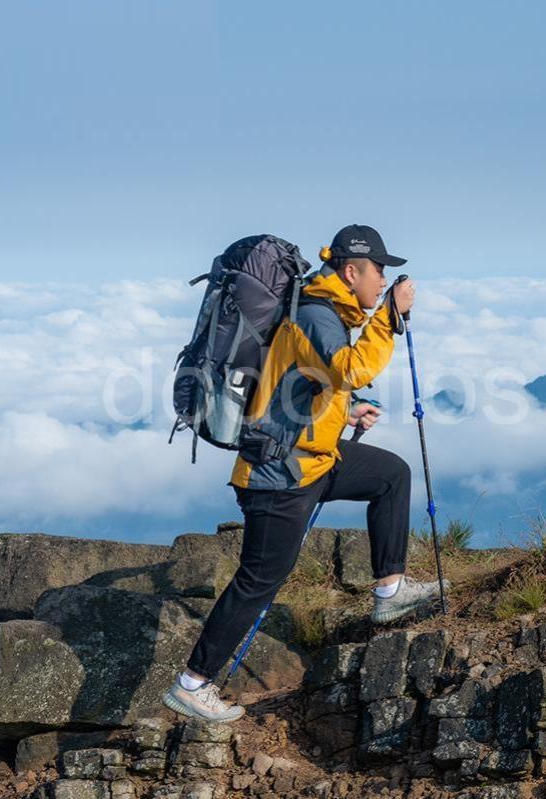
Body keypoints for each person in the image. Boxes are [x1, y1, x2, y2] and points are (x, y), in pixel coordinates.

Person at [163, 224, 447, 722]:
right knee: (259, 581)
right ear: (352, 270)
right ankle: (192, 683)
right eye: (380, 270)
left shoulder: (324, 311)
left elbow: (313, 382)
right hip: (278, 476)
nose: (384, 280)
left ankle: (389, 590)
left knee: (390, 476)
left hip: (312, 461)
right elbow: (353, 368)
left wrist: (349, 411)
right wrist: (391, 318)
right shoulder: (318, 313)